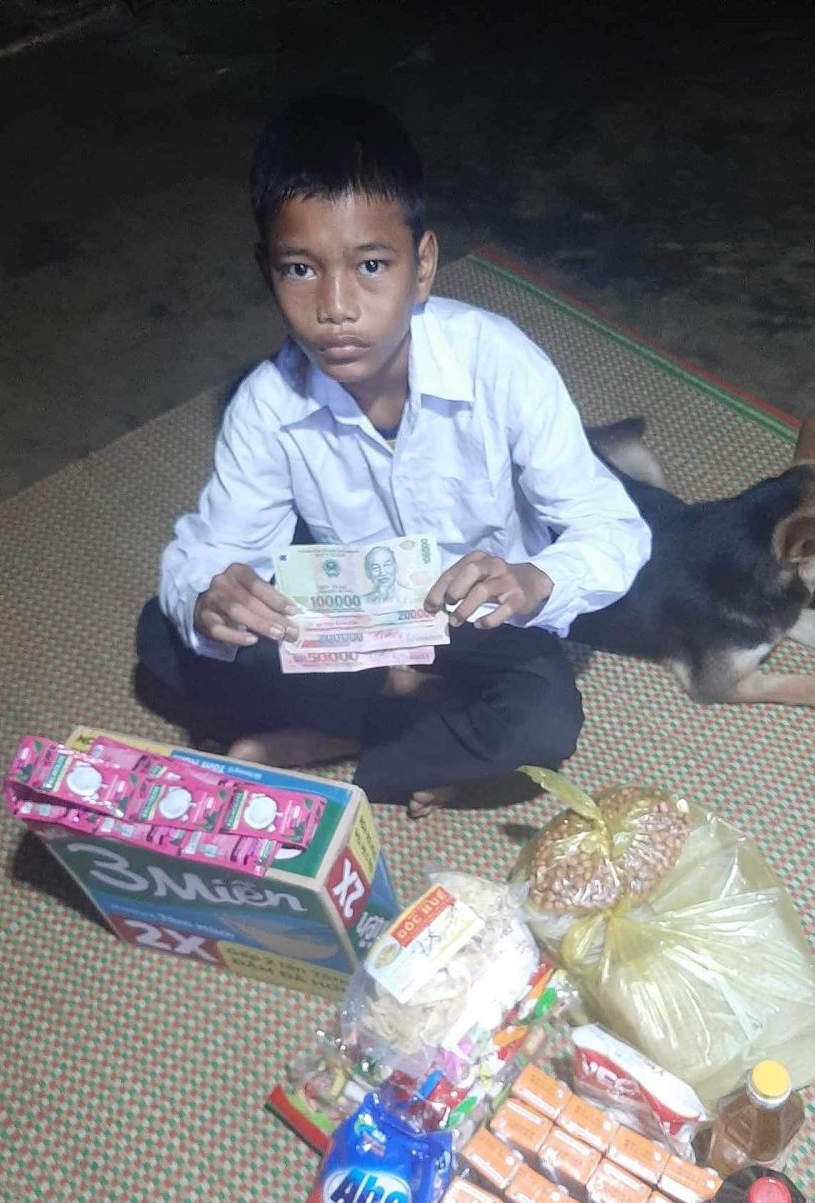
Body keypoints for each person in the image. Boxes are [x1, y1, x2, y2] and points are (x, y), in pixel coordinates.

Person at [137, 95, 652, 817]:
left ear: (424, 265)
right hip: (354, 630)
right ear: (266, 271)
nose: (336, 306)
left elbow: (615, 529)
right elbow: (212, 551)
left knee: (543, 718)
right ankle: (401, 719)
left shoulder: (497, 362)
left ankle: (340, 740)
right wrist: (214, 598)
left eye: (372, 264)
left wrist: (534, 579)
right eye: (299, 270)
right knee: (164, 637)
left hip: (477, 620)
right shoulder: (267, 404)